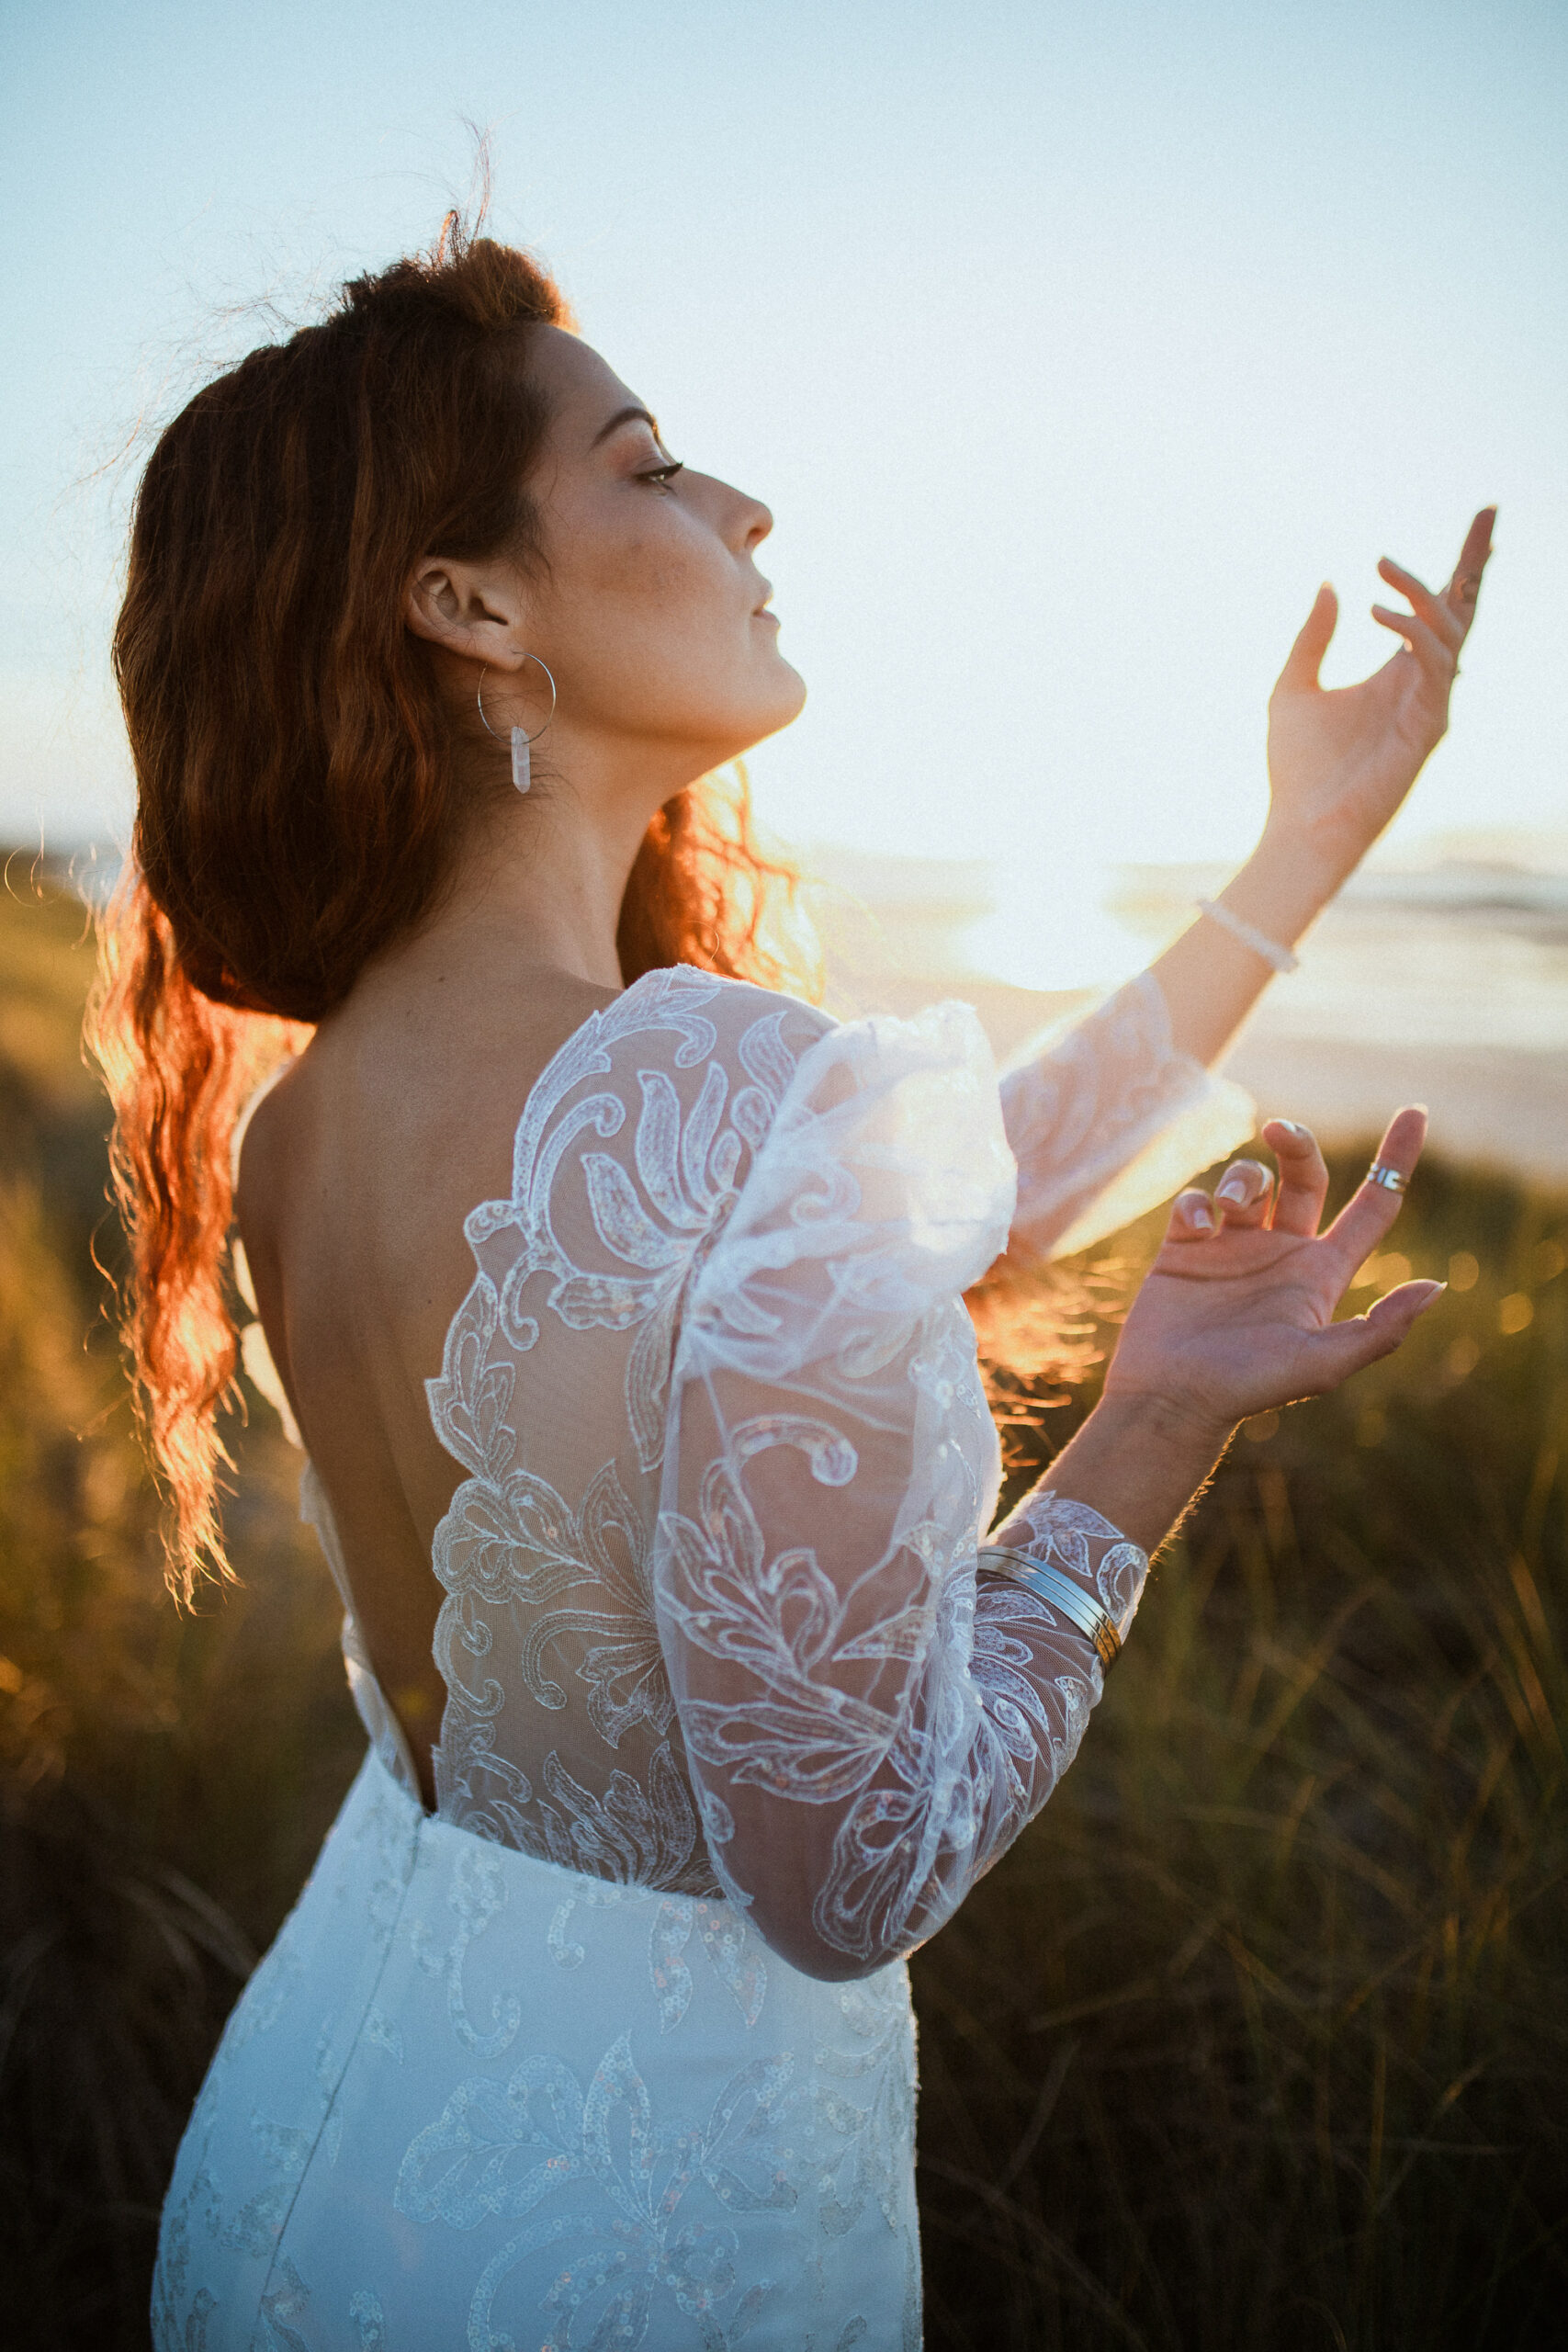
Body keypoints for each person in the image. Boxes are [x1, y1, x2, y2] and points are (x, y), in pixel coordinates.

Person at [90, 212, 1491, 2350]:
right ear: (466, 605)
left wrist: (1296, 841)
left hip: (317, 2122)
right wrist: (1144, 1439)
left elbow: (944, 1199)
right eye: (650, 466)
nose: (744, 507)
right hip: (634, 2236)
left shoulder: (308, 1121)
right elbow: (847, 1875)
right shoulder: (735, 1098)